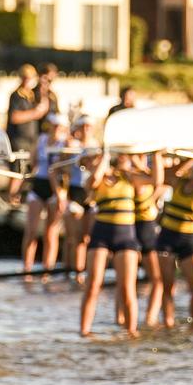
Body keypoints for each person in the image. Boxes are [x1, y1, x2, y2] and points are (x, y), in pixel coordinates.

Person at [80, 151, 141, 337]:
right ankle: (84, 331)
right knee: (93, 285)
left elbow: (155, 179)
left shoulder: (128, 177)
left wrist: (133, 159)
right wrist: (104, 157)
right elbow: (94, 180)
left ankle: (131, 331)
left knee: (127, 287)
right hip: (101, 235)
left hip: (126, 235)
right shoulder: (93, 181)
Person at [154, 158, 193, 329]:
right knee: (168, 286)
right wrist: (191, 159)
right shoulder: (179, 183)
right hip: (167, 237)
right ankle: (168, 323)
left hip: (190, 240)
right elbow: (168, 175)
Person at [7, 115, 67, 277]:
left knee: (51, 232)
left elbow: (64, 168)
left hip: (56, 187)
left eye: (58, 126)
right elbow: (31, 164)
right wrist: (18, 187)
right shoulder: (42, 139)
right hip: (39, 183)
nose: (55, 129)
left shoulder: (65, 143)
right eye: (53, 126)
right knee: (31, 230)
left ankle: (48, 268)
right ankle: (27, 268)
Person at [131, 152, 165, 326]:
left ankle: (146, 317)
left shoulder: (135, 176)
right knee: (156, 280)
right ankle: (149, 318)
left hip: (141, 228)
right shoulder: (136, 177)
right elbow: (157, 180)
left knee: (133, 281)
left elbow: (160, 184)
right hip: (142, 228)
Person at [62, 116, 98, 276]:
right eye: (83, 127)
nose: (86, 130)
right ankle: (74, 271)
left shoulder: (95, 145)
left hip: (89, 193)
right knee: (74, 237)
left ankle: (84, 271)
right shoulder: (72, 145)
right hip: (75, 191)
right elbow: (62, 168)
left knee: (86, 237)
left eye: (89, 127)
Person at [5, 65, 50, 161]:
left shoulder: (31, 95)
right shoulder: (17, 95)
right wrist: (34, 113)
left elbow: (43, 108)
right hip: (19, 140)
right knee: (17, 171)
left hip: (31, 140)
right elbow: (14, 117)